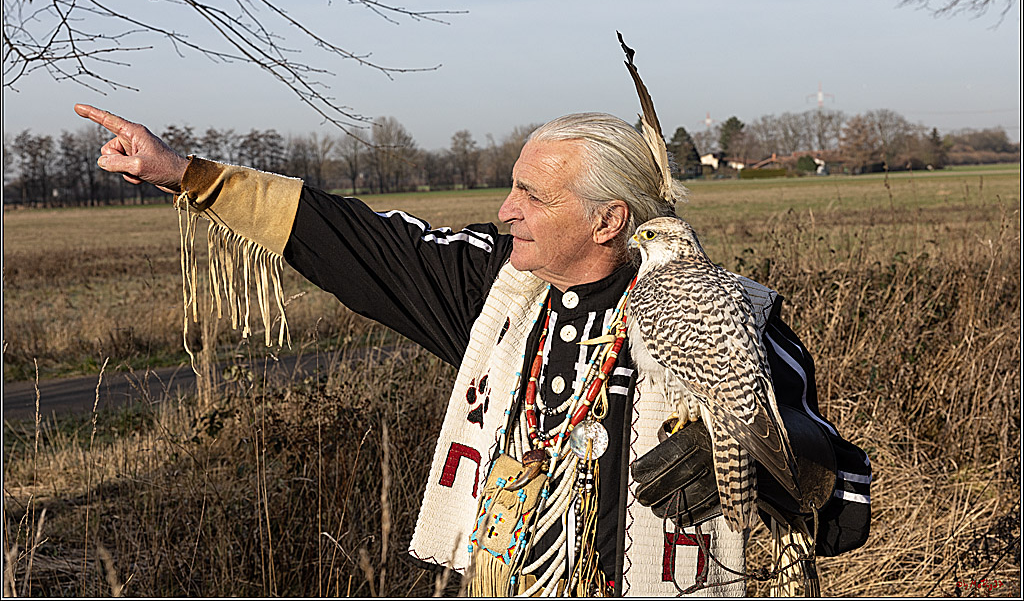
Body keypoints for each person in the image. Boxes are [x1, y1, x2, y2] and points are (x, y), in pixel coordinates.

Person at [76, 98, 870, 597]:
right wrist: (188, 174)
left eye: (533, 194)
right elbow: (354, 239)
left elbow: (844, 499)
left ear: (609, 219)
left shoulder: (723, 312)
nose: (506, 209)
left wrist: (755, 462)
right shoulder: (495, 290)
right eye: (512, 185)